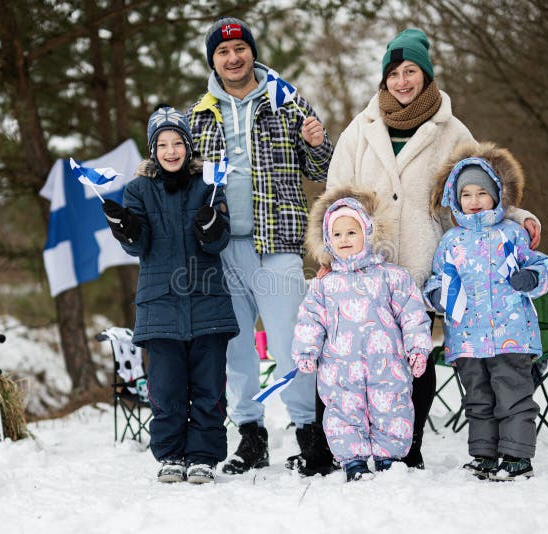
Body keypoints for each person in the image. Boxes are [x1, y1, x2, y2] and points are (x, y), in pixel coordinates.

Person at [325, 28, 542, 468]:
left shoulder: (451, 129)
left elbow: (482, 185)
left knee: (415, 358)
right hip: (369, 269)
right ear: (383, 79)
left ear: (426, 76)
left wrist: (519, 217)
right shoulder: (360, 130)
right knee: (367, 362)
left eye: (411, 72)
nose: (402, 82)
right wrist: (332, 256)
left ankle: (410, 447)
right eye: (394, 74)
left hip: (425, 266)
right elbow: (335, 197)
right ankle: (353, 446)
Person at [188, 17, 336, 476]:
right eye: (223, 52)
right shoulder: (198, 115)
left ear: (252, 52)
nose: (233, 58)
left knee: (291, 345)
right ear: (213, 60)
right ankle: (250, 435)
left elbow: (320, 168)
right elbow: (180, 178)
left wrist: (317, 143)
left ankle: (311, 434)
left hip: (277, 244)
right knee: (236, 348)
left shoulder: (285, 101)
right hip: (219, 251)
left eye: (240, 49)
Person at [102, 105, 239, 484]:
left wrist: (211, 228)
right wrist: (125, 227)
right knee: (166, 388)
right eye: (162, 144)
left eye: (178, 142)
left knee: (209, 387)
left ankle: (203, 456)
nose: (171, 150)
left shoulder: (209, 185)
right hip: (160, 306)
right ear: (152, 150)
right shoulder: (138, 190)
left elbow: (219, 240)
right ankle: (171, 454)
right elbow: (137, 244)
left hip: (207, 302)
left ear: (189, 146)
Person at [424, 140, 548, 481]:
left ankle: (516, 455)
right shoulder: (451, 241)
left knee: (513, 395)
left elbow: (541, 268)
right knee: (478, 400)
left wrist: (532, 277)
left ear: (496, 194)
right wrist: (437, 297)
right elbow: (437, 279)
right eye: (467, 195)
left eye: (482, 193)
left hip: (511, 335)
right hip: (467, 339)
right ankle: (483, 454)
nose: (475, 201)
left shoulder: (511, 233)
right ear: (456, 199)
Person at [292, 188, 433, 481]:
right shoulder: (324, 286)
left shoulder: (392, 277)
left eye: (351, 232)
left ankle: (388, 458)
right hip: (340, 370)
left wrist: (418, 348)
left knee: (392, 408)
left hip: (387, 366)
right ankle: (352, 460)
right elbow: (310, 321)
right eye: (338, 234)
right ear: (328, 241)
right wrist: (307, 351)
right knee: (343, 413)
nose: (344, 240)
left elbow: (412, 314)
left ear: (367, 233)